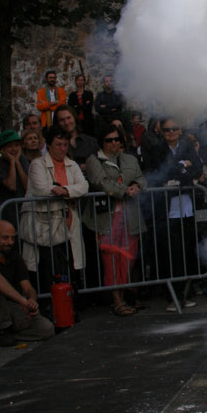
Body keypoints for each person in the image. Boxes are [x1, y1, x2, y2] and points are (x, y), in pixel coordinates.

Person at [83, 125, 147, 317]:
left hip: (129, 217)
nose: (114, 143)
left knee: (128, 258)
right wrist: (125, 191)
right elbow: (100, 182)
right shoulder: (94, 160)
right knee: (110, 260)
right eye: (109, 140)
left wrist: (137, 186)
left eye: (116, 139)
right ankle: (117, 301)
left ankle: (123, 296)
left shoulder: (130, 159)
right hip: (106, 218)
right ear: (102, 142)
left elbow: (141, 177)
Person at [20, 125, 89, 292]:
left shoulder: (72, 164)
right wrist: (69, 191)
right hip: (43, 224)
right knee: (45, 269)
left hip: (67, 221)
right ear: (49, 145)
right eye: (58, 144)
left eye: (65, 144)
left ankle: (70, 299)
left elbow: (84, 186)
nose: (62, 148)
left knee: (69, 266)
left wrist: (64, 190)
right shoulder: (37, 164)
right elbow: (42, 189)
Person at [150, 118, 203, 311]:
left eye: (174, 128)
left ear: (180, 130)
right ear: (161, 132)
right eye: (167, 129)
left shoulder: (188, 146)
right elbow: (158, 173)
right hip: (167, 210)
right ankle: (173, 296)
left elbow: (197, 169)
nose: (171, 132)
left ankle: (186, 294)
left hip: (187, 208)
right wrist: (183, 166)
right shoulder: (157, 149)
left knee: (188, 252)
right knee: (172, 256)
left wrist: (178, 171)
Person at [0, 220, 54, 346]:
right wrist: (22, 300)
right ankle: (2, 330)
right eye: (5, 238)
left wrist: (31, 301)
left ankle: (1, 334)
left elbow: (27, 286)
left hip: (10, 307)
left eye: (13, 238)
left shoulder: (15, 257)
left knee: (47, 329)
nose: (10, 242)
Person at [53, 105, 99, 173]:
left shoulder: (91, 141)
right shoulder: (55, 146)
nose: (66, 122)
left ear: (74, 118)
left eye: (68, 118)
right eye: (62, 120)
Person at [0, 130, 30, 203]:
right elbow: (12, 186)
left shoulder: (23, 159)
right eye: (9, 146)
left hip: (24, 206)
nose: (14, 149)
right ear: (2, 149)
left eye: (16, 145)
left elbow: (27, 185)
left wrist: (17, 162)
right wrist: (12, 161)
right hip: (7, 207)